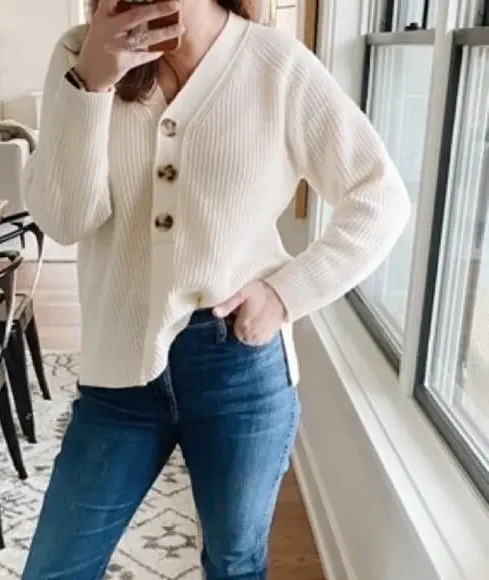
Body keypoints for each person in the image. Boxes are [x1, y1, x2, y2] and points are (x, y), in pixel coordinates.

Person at [21, 0, 410, 578]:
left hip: (238, 366)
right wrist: (93, 83)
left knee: (234, 563)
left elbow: (380, 197)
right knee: (56, 568)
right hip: (119, 366)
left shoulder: (276, 65)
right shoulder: (80, 54)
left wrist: (285, 294)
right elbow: (65, 220)